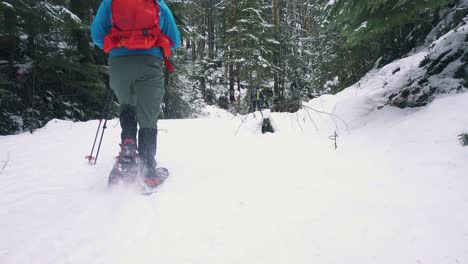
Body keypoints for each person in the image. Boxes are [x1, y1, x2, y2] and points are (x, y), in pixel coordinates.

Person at [91, 0, 180, 189]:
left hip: (119, 64)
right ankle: (148, 171)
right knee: (148, 116)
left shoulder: (110, 3)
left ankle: (128, 152)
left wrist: (121, 45)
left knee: (127, 105)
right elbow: (175, 40)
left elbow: (97, 36)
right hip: (150, 63)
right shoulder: (158, 5)